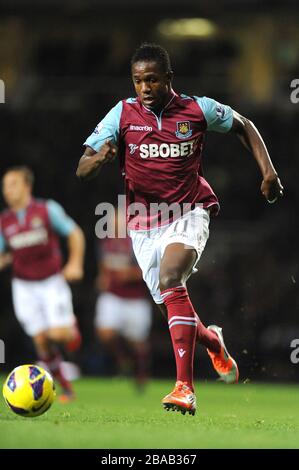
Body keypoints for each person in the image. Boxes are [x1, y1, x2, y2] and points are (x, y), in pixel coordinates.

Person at [76, 43, 284, 416]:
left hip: (189, 212)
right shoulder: (121, 114)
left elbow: (244, 126)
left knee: (173, 277)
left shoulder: (197, 109)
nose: (145, 87)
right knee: (172, 307)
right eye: (138, 80)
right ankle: (213, 342)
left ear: (168, 78)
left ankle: (184, 388)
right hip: (142, 224)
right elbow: (82, 167)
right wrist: (99, 159)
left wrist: (268, 171)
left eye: (153, 79)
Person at [0, 166, 85, 402]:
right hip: (23, 286)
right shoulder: (4, 222)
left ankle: (71, 328)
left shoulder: (47, 209)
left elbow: (75, 233)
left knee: (59, 335)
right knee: (40, 340)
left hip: (51, 281)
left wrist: (75, 263)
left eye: (13, 184)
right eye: (5, 186)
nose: (8, 190)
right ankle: (66, 388)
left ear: (27, 186)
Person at [95, 209, 152, 390]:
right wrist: (102, 277)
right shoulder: (106, 242)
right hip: (113, 295)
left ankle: (140, 376)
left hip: (135, 299)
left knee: (138, 342)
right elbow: (104, 265)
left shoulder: (138, 243)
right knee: (105, 332)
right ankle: (122, 360)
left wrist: (129, 274)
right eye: (113, 221)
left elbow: (149, 271)